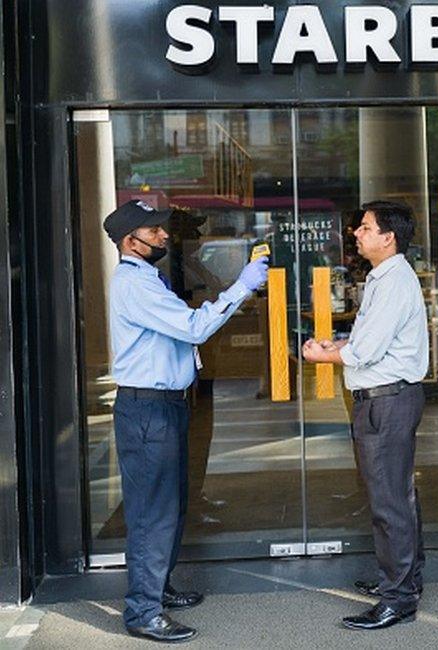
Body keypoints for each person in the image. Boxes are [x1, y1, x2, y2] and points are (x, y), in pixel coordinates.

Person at [103, 199, 269, 643]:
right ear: (129, 240)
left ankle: (158, 588)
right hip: (148, 409)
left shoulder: (148, 280)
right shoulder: (134, 285)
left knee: (170, 507)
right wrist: (242, 287)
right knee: (152, 514)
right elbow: (194, 328)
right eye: (153, 231)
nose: (163, 237)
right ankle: (142, 611)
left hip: (164, 405)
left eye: (161, 229)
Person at [302, 200, 428, 631]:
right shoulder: (384, 277)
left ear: (388, 237)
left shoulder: (393, 282)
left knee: (389, 501)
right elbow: (368, 342)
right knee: (398, 494)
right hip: (389, 398)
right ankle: (404, 580)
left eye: (365, 227)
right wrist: (339, 346)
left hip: (387, 401)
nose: (357, 233)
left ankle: (399, 598)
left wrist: (323, 353)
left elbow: (366, 351)